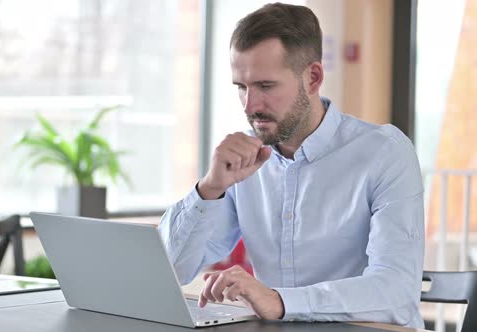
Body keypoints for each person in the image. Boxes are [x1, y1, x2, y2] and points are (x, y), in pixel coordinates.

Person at [158, 3, 424, 328]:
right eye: (241, 87)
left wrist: (280, 301)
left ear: (312, 78)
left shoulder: (385, 152)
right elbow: (171, 270)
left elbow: (395, 292)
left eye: (266, 86)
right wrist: (210, 188)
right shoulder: (244, 160)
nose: (250, 106)